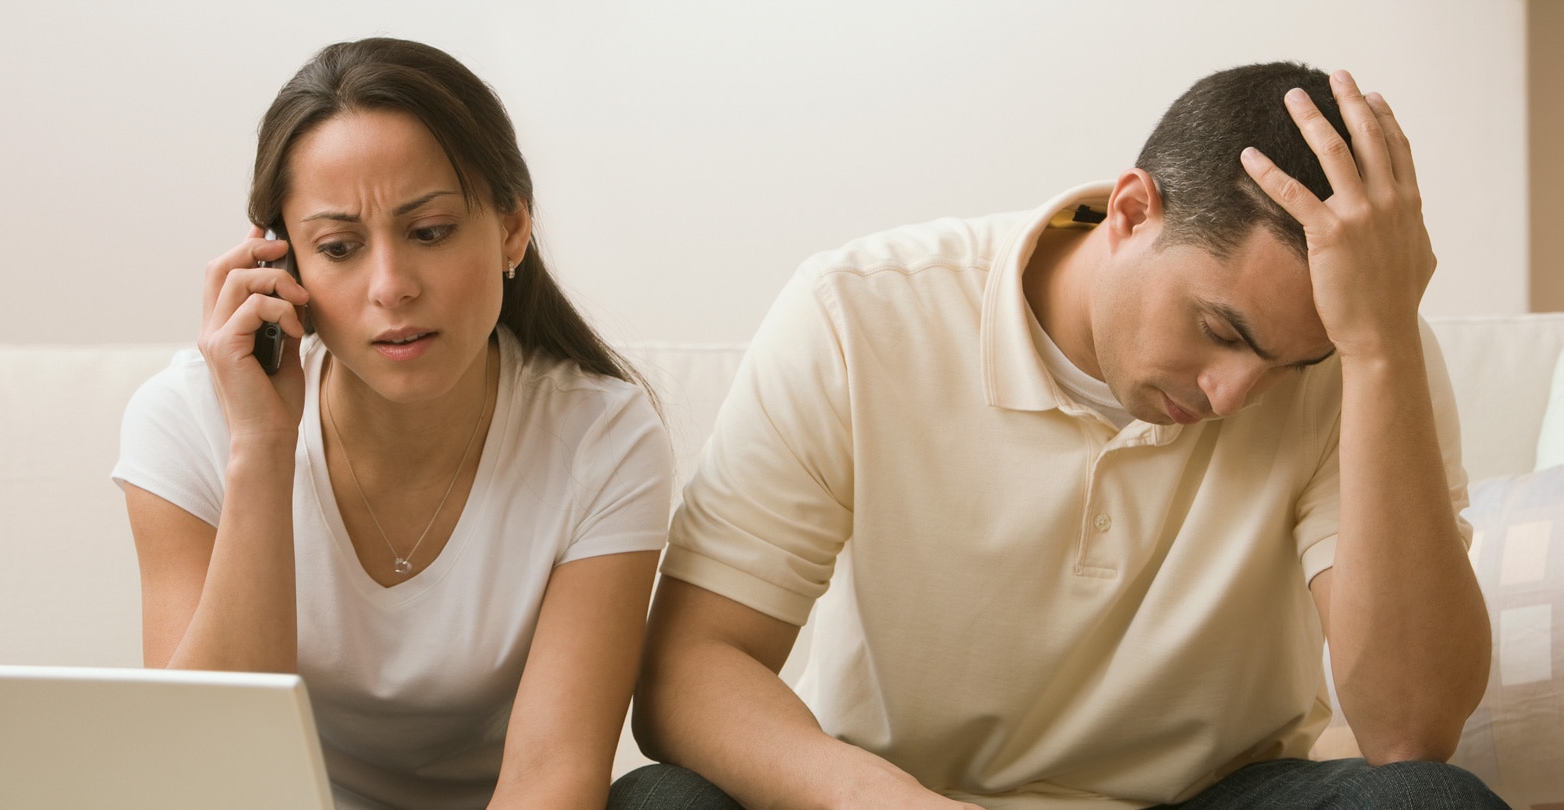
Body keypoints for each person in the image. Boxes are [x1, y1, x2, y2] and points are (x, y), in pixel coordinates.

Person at [619, 63, 1506, 809]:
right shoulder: (858, 314)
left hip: (1207, 798)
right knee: (660, 802)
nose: (1236, 394)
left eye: (1290, 364)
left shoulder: (1362, 349)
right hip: (893, 792)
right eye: (1224, 332)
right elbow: (690, 669)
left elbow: (1411, 731)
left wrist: (1379, 348)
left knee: (1430, 800)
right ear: (1128, 211)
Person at [113, 38, 672, 810]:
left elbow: (552, 777)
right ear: (283, 265)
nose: (391, 287)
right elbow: (198, 774)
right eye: (338, 248)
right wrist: (263, 448)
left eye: (431, 231)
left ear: (512, 229)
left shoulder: (602, 438)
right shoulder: (185, 421)